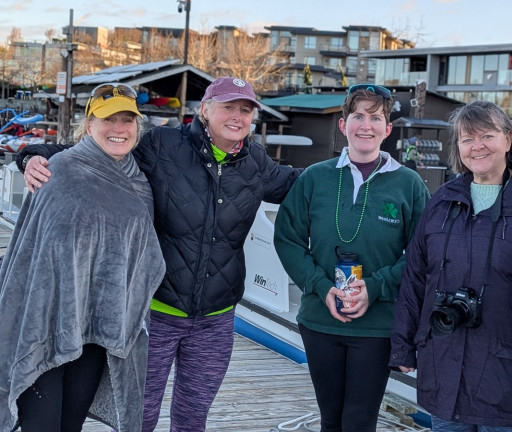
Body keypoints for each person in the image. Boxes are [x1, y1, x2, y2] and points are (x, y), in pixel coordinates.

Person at [18, 76, 301, 432]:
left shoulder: (255, 162)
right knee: (139, 415)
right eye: (228, 106)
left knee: (192, 417)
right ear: (205, 110)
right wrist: (31, 155)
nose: (237, 116)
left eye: (245, 110)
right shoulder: (163, 144)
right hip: (155, 312)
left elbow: (300, 185)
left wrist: (354, 165)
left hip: (216, 317)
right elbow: (96, 152)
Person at [0, 84, 165, 431]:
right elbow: (30, 256)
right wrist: (29, 155)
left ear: (138, 128)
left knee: (71, 425)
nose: (119, 129)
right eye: (108, 119)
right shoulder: (59, 171)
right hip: (45, 328)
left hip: (97, 332)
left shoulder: (140, 183)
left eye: (127, 120)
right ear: (89, 125)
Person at [273, 84, 430, 432]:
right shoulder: (315, 178)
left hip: (377, 326)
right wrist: (320, 286)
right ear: (343, 125)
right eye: (358, 115)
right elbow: (287, 237)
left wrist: (375, 288)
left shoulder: (409, 184)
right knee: (331, 420)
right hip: (319, 320)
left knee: (359, 421)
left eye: (375, 117)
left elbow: (423, 255)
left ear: (387, 129)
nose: (366, 125)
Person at [390, 100, 512, 431]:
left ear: (507, 140)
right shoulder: (443, 200)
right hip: (444, 369)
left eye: (487, 136)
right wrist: (403, 346)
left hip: (510, 379)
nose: (477, 146)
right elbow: (416, 276)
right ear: (458, 147)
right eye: (467, 138)